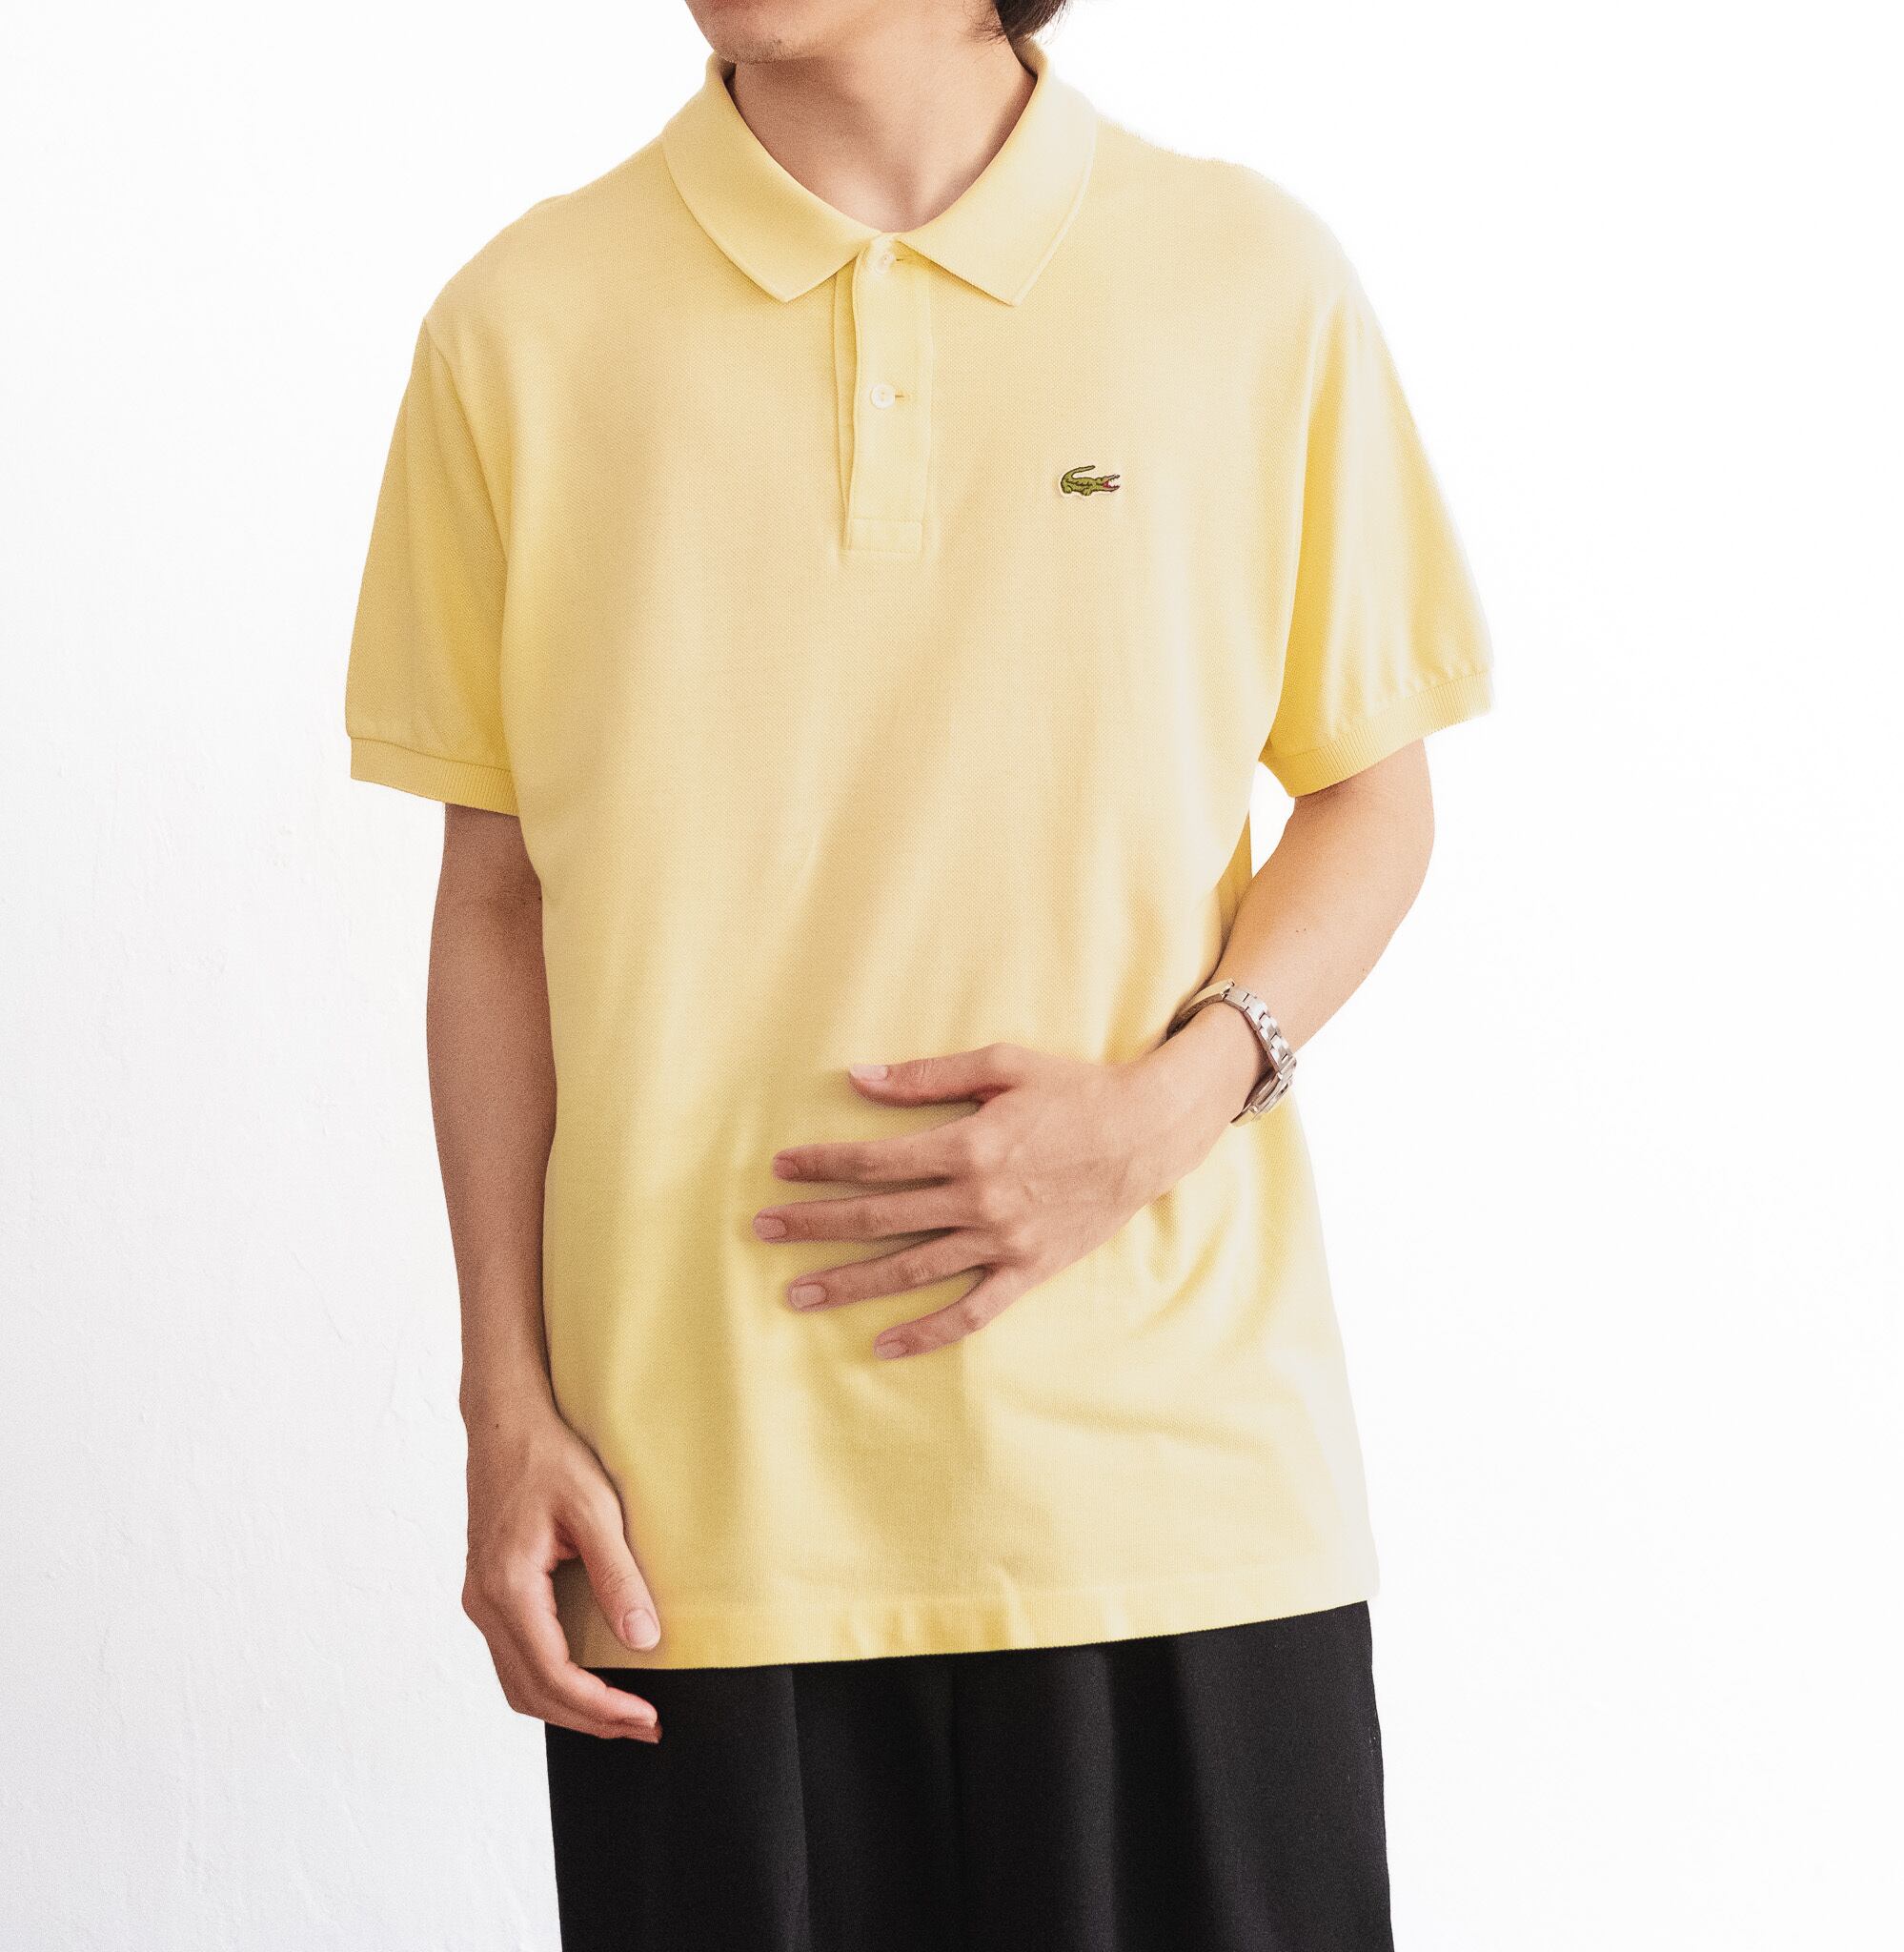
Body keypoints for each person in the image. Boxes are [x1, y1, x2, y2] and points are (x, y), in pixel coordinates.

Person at [345, 0, 1492, 1942]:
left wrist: (1165, 1109)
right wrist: (503, 1405)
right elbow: (495, 901)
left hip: (1179, 1498)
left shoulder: (1245, 277)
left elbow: (1372, 794)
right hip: (698, 1526)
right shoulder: (520, 324)